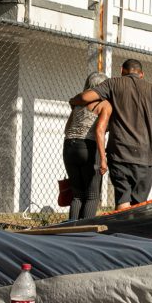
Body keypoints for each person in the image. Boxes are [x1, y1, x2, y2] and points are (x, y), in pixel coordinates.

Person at [70, 59, 152, 210]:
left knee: (122, 199)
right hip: (144, 157)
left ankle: (119, 231)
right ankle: (133, 232)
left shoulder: (113, 83)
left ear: (122, 70)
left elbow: (85, 97)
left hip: (119, 154)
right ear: (141, 74)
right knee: (139, 204)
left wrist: (73, 100)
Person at [62, 72, 111, 220]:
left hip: (69, 146)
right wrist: (103, 158)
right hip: (88, 147)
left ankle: (70, 231)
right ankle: (85, 234)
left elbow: (67, 129)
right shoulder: (104, 104)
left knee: (77, 195)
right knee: (92, 195)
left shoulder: (78, 104)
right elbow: (99, 131)